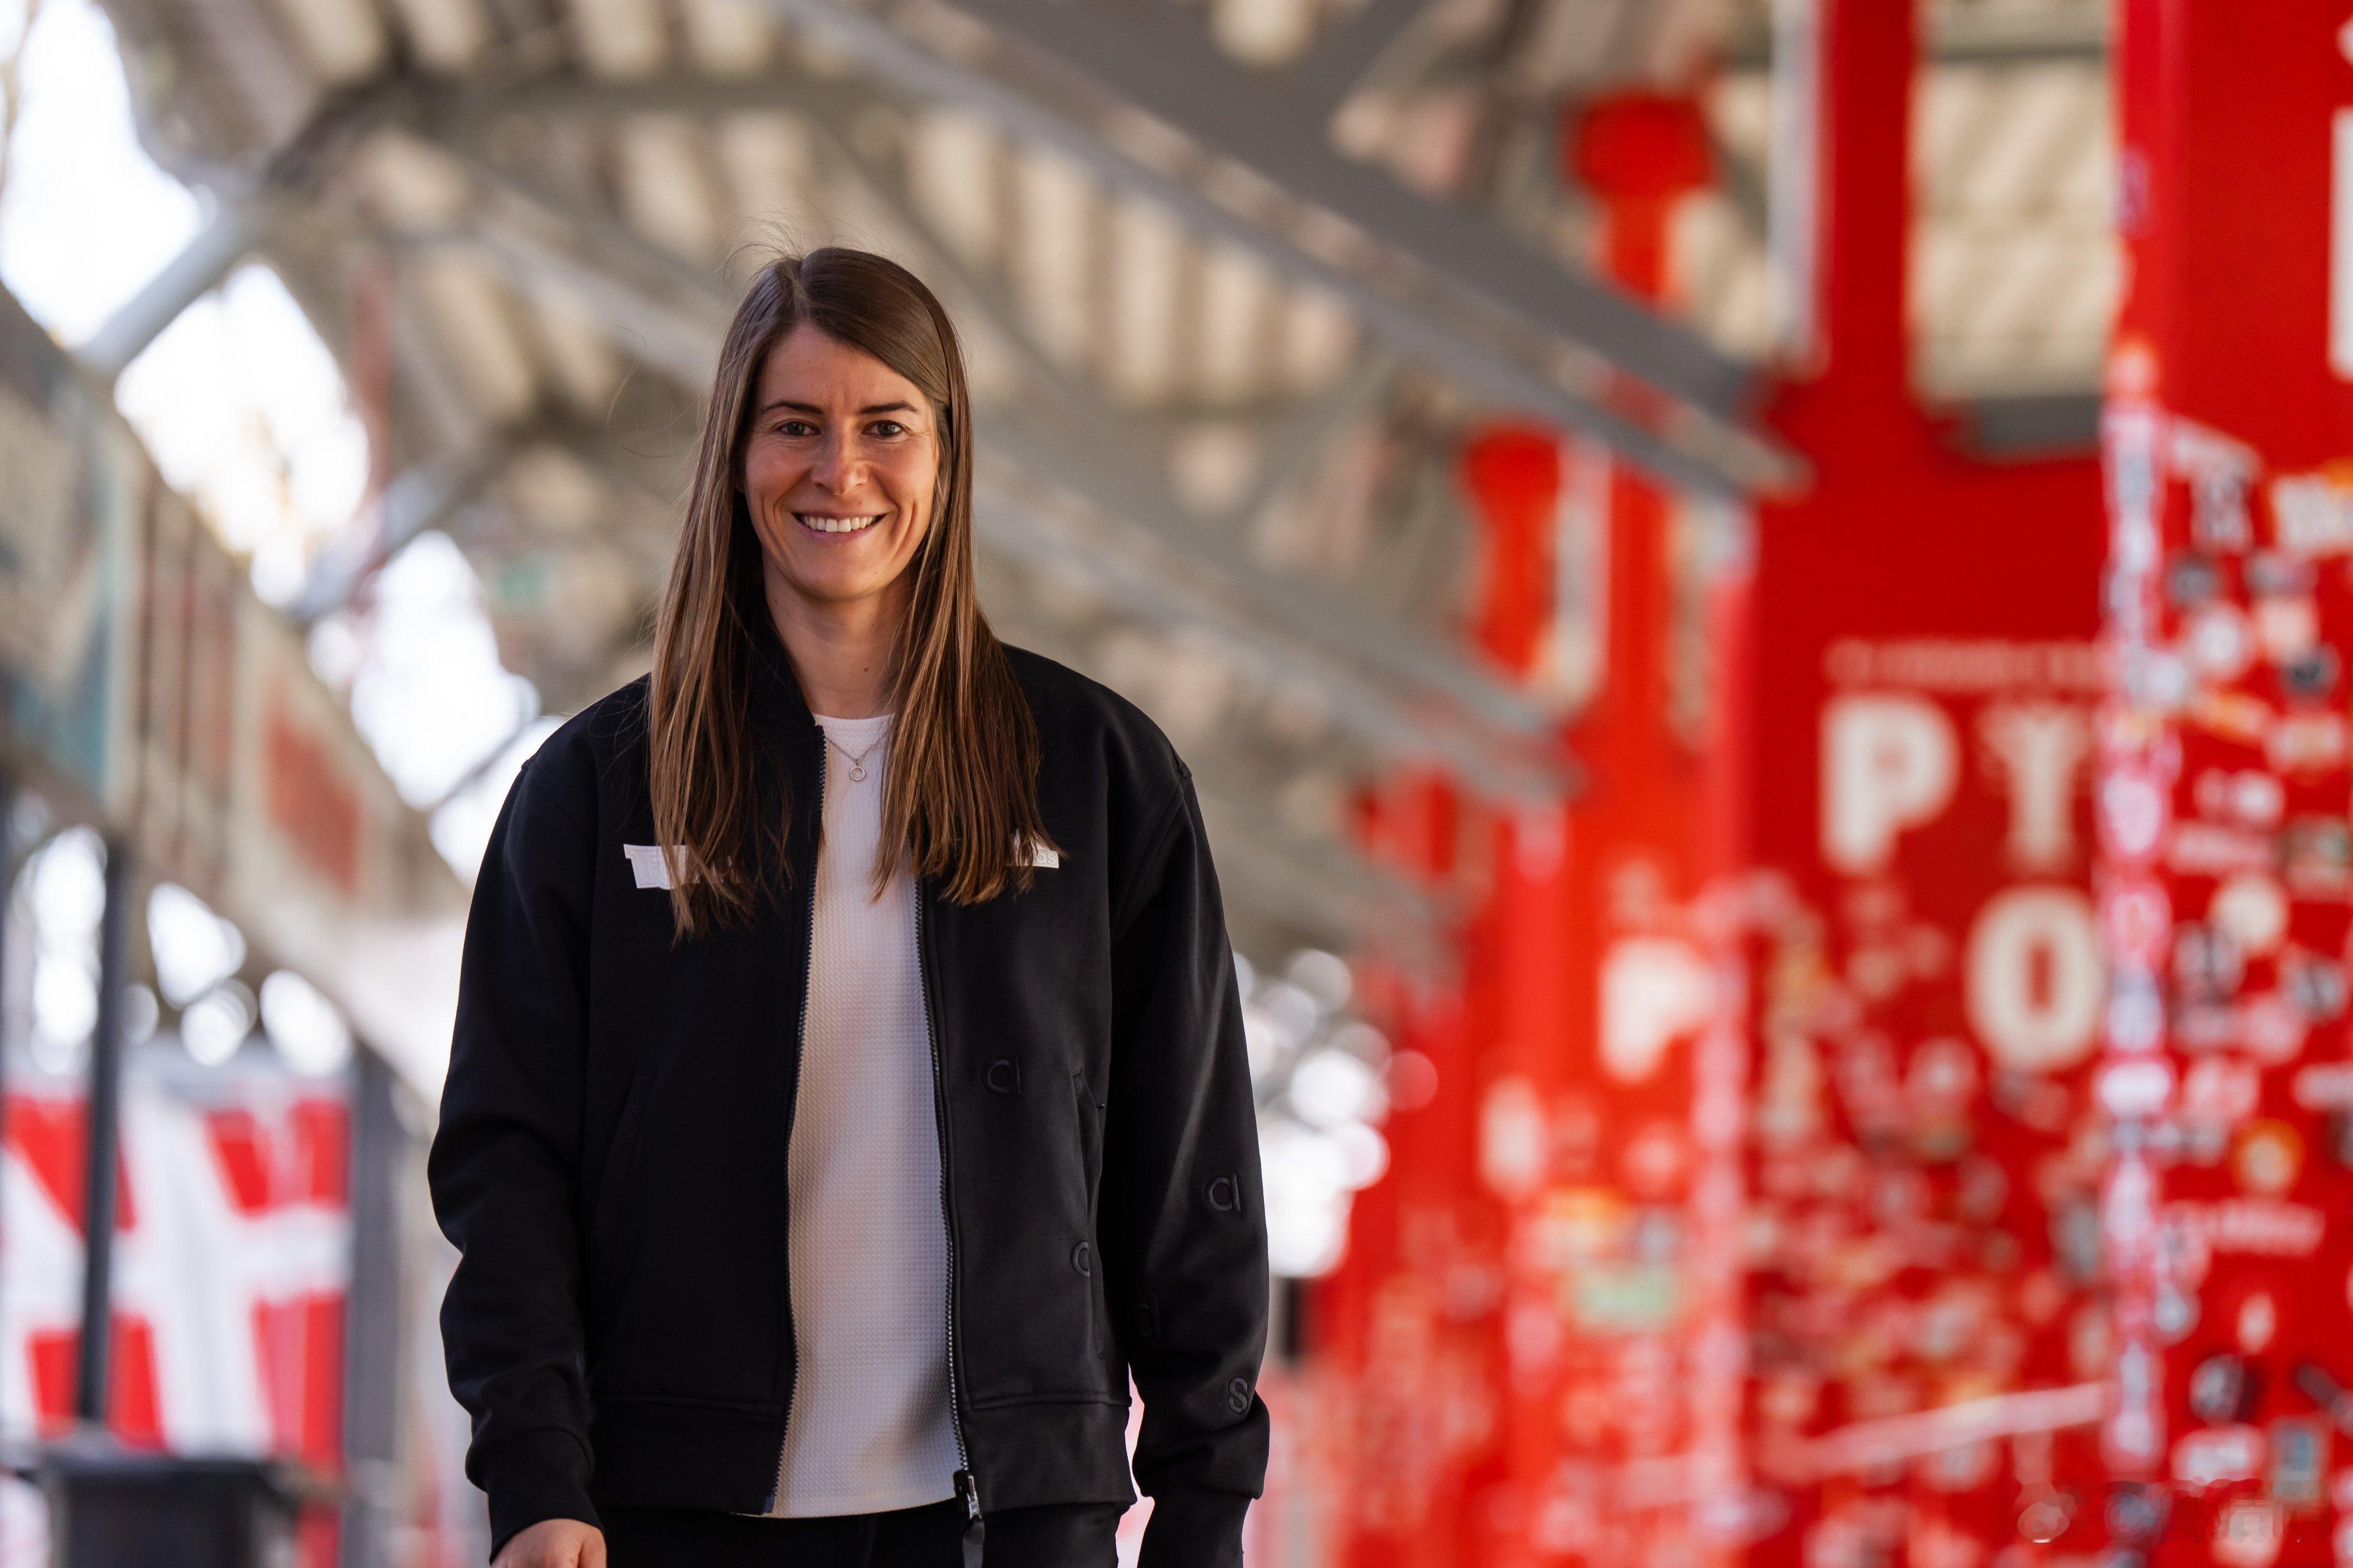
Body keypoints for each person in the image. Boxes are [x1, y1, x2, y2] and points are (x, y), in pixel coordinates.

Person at [428, 248, 1268, 1568]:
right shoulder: (595, 791)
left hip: (1014, 1519)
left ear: (946, 453)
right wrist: (536, 1474)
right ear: (734, 454)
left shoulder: (1098, 776)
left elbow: (1188, 1165)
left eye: (885, 426)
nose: (840, 471)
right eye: (795, 427)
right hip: (675, 1516)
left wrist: (1204, 1509)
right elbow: (506, 1160)